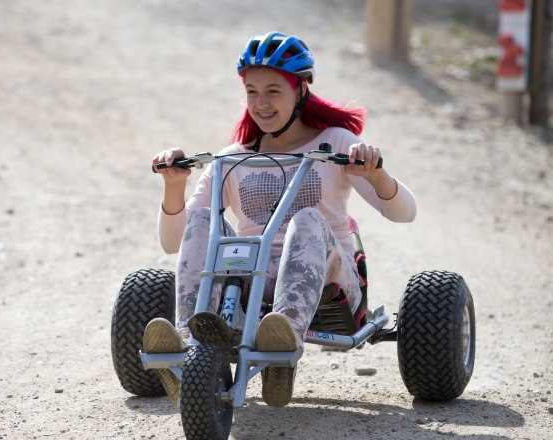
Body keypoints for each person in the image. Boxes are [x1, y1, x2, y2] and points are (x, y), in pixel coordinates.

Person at [145, 31, 417, 407]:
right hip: (248, 280)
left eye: (273, 91)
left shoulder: (334, 144)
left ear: (301, 89)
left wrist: (376, 176)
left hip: (328, 280)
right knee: (204, 218)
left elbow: (405, 213)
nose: (261, 103)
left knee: (306, 219)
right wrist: (173, 187)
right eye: (252, 92)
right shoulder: (232, 157)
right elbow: (174, 243)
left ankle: (283, 336)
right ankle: (189, 344)